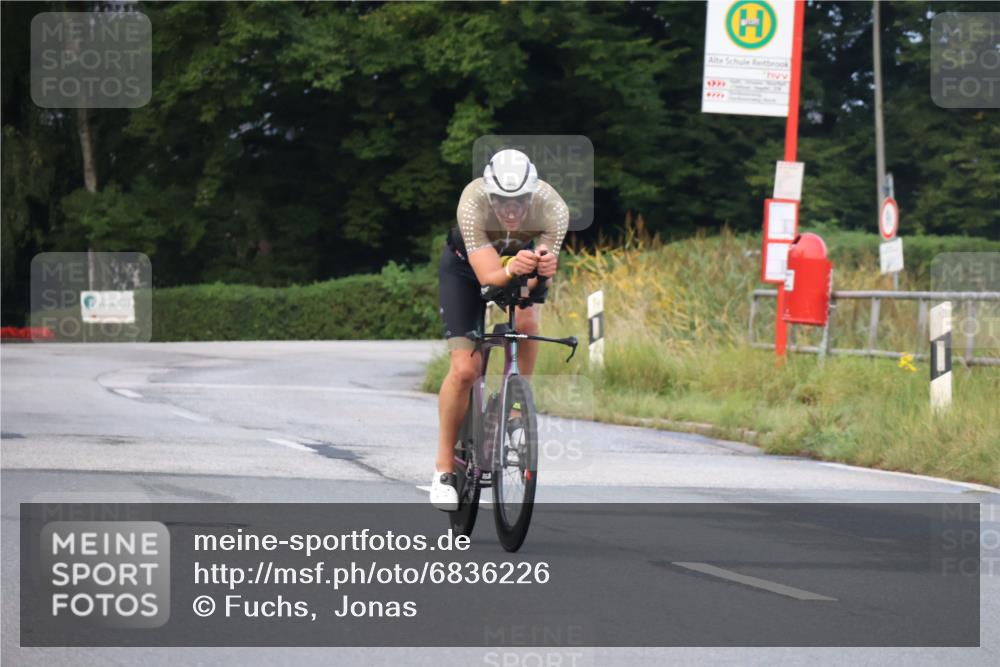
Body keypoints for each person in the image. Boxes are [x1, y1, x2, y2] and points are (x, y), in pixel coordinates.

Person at [431, 148, 570, 510]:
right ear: (489, 196)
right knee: (465, 369)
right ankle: (444, 467)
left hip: (519, 264)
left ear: (534, 194)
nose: (511, 210)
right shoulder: (472, 202)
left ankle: (516, 406)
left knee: (526, 321)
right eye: (502, 202)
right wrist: (512, 270)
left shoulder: (553, 209)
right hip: (466, 270)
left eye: (520, 201)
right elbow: (489, 278)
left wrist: (541, 271)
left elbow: (534, 287)